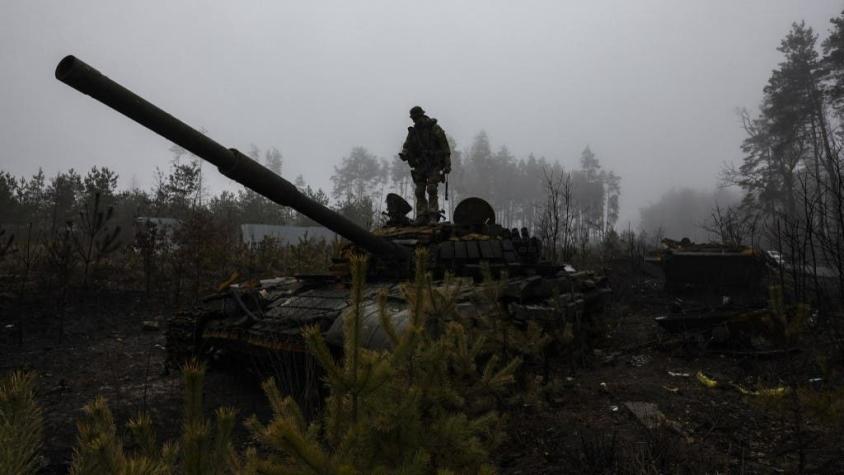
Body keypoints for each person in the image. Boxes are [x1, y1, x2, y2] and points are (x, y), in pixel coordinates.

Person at [399, 106, 451, 224]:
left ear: (422, 115)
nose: (415, 120)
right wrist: (404, 154)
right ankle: (422, 215)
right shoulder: (413, 132)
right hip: (420, 165)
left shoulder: (434, 128)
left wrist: (447, 164)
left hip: (434, 164)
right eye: (414, 118)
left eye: (417, 117)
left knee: (432, 188)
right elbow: (406, 146)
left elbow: (445, 147)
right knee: (419, 191)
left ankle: (433, 214)